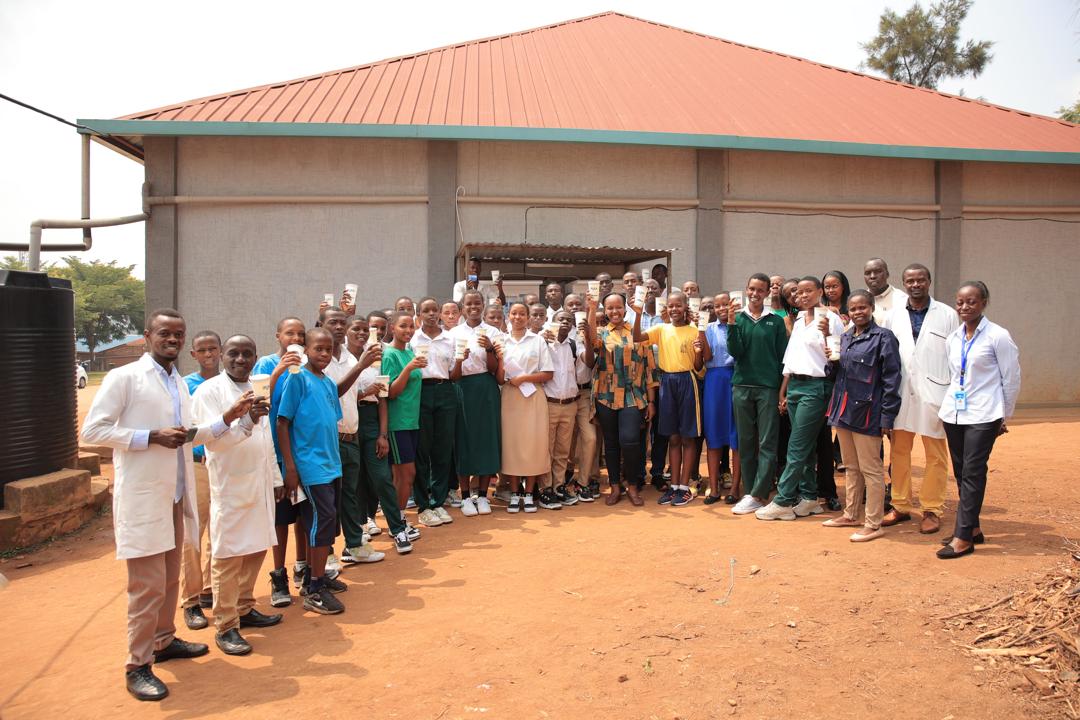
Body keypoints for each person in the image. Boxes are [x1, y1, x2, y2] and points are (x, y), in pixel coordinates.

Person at [81, 308, 254, 701]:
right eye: (165, 333)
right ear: (147, 336)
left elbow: (189, 435)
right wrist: (149, 437)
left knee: (171, 577)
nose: (172, 339)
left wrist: (229, 417)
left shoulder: (177, 382)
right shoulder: (124, 377)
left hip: (175, 495)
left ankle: (163, 640)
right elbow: (93, 429)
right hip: (144, 496)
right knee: (146, 586)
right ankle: (137, 664)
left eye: (179, 333)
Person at [192, 335, 284, 656]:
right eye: (234, 354)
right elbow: (211, 441)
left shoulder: (260, 389)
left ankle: (245, 606)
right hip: (230, 485)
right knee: (228, 553)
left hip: (259, 482)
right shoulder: (210, 392)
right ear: (223, 357)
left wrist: (275, 477)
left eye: (247, 354)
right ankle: (226, 624)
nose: (241, 359)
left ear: (256, 357)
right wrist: (244, 419)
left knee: (258, 545)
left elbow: (267, 438)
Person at [936, 281, 1020, 560]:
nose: (964, 307)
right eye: (960, 302)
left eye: (971, 301)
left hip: (985, 413)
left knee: (973, 471)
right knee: (961, 472)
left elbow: (1011, 379)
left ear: (984, 302)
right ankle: (972, 528)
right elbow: (954, 375)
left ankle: (962, 538)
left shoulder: (998, 336)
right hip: (955, 413)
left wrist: (1004, 416)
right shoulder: (953, 339)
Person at [756, 278, 845, 521]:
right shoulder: (797, 321)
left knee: (797, 446)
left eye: (808, 291)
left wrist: (827, 336)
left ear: (819, 292)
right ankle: (808, 498)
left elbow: (836, 355)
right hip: (795, 385)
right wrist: (783, 390)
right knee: (805, 448)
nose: (803, 295)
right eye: (799, 292)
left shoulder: (830, 319)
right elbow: (791, 357)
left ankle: (784, 500)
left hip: (816, 387)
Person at [881, 263, 959, 535]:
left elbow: (955, 358)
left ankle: (931, 509)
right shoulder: (893, 315)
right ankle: (900, 505)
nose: (915, 285)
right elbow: (888, 355)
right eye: (910, 281)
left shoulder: (947, 315)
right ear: (904, 284)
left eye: (920, 280)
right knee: (899, 452)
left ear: (929, 281)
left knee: (935, 455)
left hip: (935, 394)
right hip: (902, 393)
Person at [276, 327, 349, 614]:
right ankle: (315, 589)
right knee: (320, 522)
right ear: (305, 349)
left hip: (331, 464)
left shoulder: (329, 383)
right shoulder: (297, 378)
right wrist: (290, 466)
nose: (323, 354)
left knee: (326, 523)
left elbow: (330, 421)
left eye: (328, 349)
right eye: (318, 348)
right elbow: (283, 422)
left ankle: (314, 577)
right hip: (310, 467)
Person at [820, 291, 902, 542]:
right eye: (853, 309)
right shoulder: (845, 337)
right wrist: (830, 362)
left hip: (868, 413)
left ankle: (873, 523)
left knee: (871, 470)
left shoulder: (883, 338)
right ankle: (851, 514)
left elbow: (892, 379)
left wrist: (887, 418)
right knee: (851, 467)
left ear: (872, 308)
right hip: (843, 410)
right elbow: (837, 374)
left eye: (862, 308)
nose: (858, 312)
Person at [321, 308, 386, 566]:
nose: (338, 326)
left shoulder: (349, 357)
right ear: (321, 325)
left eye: (341, 322)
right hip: (329, 438)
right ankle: (324, 553)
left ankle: (354, 545)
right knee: (327, 499)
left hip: (351, 435)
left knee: (350, 496)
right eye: (332, 322)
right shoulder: (318, 359)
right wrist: (361, 367)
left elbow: (354, 395)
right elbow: (331, 394)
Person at [252, 317, 310, 601]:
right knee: (280, 518)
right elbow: (259, 399)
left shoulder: (307, 365)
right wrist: (279, 369)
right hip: (276, 454)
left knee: (302, 514)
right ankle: (278, 576)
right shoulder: (265, 364)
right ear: (278, 336)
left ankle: (302, 566)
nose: (296, 339)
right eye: (290, 334)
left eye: (301, 334)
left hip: (304, 453)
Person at [585, 292, 656, 506]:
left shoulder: (638, 333)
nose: (614, 311)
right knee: (612, 444)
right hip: (606, 396)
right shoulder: (601, 333)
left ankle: (632, 485)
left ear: (625, 308)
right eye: (609, 308)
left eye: (618, 307)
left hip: (633, 397)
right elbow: (590, 341)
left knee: (631, 441)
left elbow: (650, 370)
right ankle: (615, 486)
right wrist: (591, 308)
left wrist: (651, 402)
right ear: (605, 311)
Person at [727, 274, 788, 515]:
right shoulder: (738, 319)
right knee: (747, 441)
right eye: (751, 289)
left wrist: (782, 391)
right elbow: (736, 352)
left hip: (768, 389)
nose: (755, 293)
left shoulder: (775, 321)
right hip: (742, 387)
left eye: (760, 290)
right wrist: (731, 324)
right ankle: (750, 491)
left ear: (766, 293)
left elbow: (784, 360)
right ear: (746, 290)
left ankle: (759, 492)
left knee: (767, 441)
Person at [351, 315, 413, 553]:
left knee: (382, 477)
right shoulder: (339, 360)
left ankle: (397, 529)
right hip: (346, 423)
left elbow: (382, 398)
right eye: (356, 329)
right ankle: (355, 537)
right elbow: (335, 396)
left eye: (365, 329)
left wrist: (383, 434)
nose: (362, 333)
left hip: (370, 421)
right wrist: (364, 391)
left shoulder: (376, 357)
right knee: (353, 484)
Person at [640, 291, 704, 507]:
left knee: (687, 437)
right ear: (666, 308)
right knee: (673, 438)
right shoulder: (661, 329)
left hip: (687, 381)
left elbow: (699, 365)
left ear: (685, 307)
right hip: (666, 382)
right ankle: (674, 486)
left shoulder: (694, 330)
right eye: (670, 306)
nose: (674, 309)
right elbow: (637, 338)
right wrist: (638, 310)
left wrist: (698, 345)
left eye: (678, 305)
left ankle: (685, 487)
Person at [180, 330, 221, 630]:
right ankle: (191, 600)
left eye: (213, 349)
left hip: (225, 467)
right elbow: (184, 428)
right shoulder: (186, 387)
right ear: (193, 355)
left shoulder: (227, 384)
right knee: (194, 533)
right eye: (202, 350)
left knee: (220, 531)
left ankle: (209, 587)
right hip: (197, 466)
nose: (208, 354)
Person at [449, 290, 503, 515]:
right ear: (462, 308)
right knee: (463, 438)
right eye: (468, 304)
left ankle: (482, 495)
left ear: (483, 305)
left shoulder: (493, 331)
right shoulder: (452, 333)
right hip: (461, 387)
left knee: (486, 439)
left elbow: (494, 369)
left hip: (486, 387)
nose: (473, 307)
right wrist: (461, 358)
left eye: (477, 303)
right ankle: (464, 496)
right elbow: (452, 371)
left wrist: (490, 347)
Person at [498, 302, 555, 512]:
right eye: (514, 313)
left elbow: (548, 373)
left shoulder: (538, 341)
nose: (518, 317)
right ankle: (515, 493)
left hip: (533, 395)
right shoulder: (501, 341)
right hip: (510, 396)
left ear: (529, 317)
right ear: (509, 316)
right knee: (512, 444)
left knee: (533, 444)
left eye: (522, 314)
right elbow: (498, 374)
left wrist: (524, 378)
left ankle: (529, 493)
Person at [411, 297, 458, 524]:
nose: (431, 314)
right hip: (420, 392)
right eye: (425, 310)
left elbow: (454, 373)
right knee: (422, 449)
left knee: (442, 448)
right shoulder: (413, 338)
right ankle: (422, 504)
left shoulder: (450, 338)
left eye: (434, 310)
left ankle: (438, 502)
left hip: (445, 390)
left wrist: (460, 361)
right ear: (419, 314)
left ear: (440, 313)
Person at [381, 312, 429, 532]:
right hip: (397, 423)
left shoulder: (410, 352)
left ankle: (397, 518)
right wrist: (409, 369)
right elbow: (391, 392)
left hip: (411, 422)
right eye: (403, 326)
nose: (408, 330)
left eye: (411, 326)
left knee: (404, 475)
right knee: (406, 474)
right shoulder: (390, 355)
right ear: (392, 328)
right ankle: (397, 521)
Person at [701, 292, 741, 505]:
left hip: (736, 377)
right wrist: (699, 332)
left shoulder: (740, 325)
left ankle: (735, 488)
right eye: (717, 306)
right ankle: (714, 488)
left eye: (725, 304)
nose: (722, 308)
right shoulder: (708, 329)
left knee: (737, 435)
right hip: (714, 381)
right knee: (714, 434)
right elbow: (706, 358)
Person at [542, 309, 581, 507]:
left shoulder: (573, 345)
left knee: (563, 451)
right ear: (552, 321)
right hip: (549, 403)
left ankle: (558, 487)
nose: (565, 322)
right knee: (546, 449)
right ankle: (545, 488)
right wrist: (543, 338)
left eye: (569, 320)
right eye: (561, 319)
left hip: (570, 404)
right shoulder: (544, 343)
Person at [561, 293, 597, 501]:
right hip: (564, 394)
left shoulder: (585, 333)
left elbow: (589, 362)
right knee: (565, 442)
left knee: (590, 438)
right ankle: (562, 479)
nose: (574, 307)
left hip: (583, 393)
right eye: (570, 304)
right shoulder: (555, 331)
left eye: (577, 304)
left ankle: (583, 482)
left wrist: (586, 336)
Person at [863, 257, 908, 327]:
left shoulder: (901, 299)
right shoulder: (860, 299)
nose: (872, 276)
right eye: (868, 273)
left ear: (887, 274)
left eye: (877, 272)